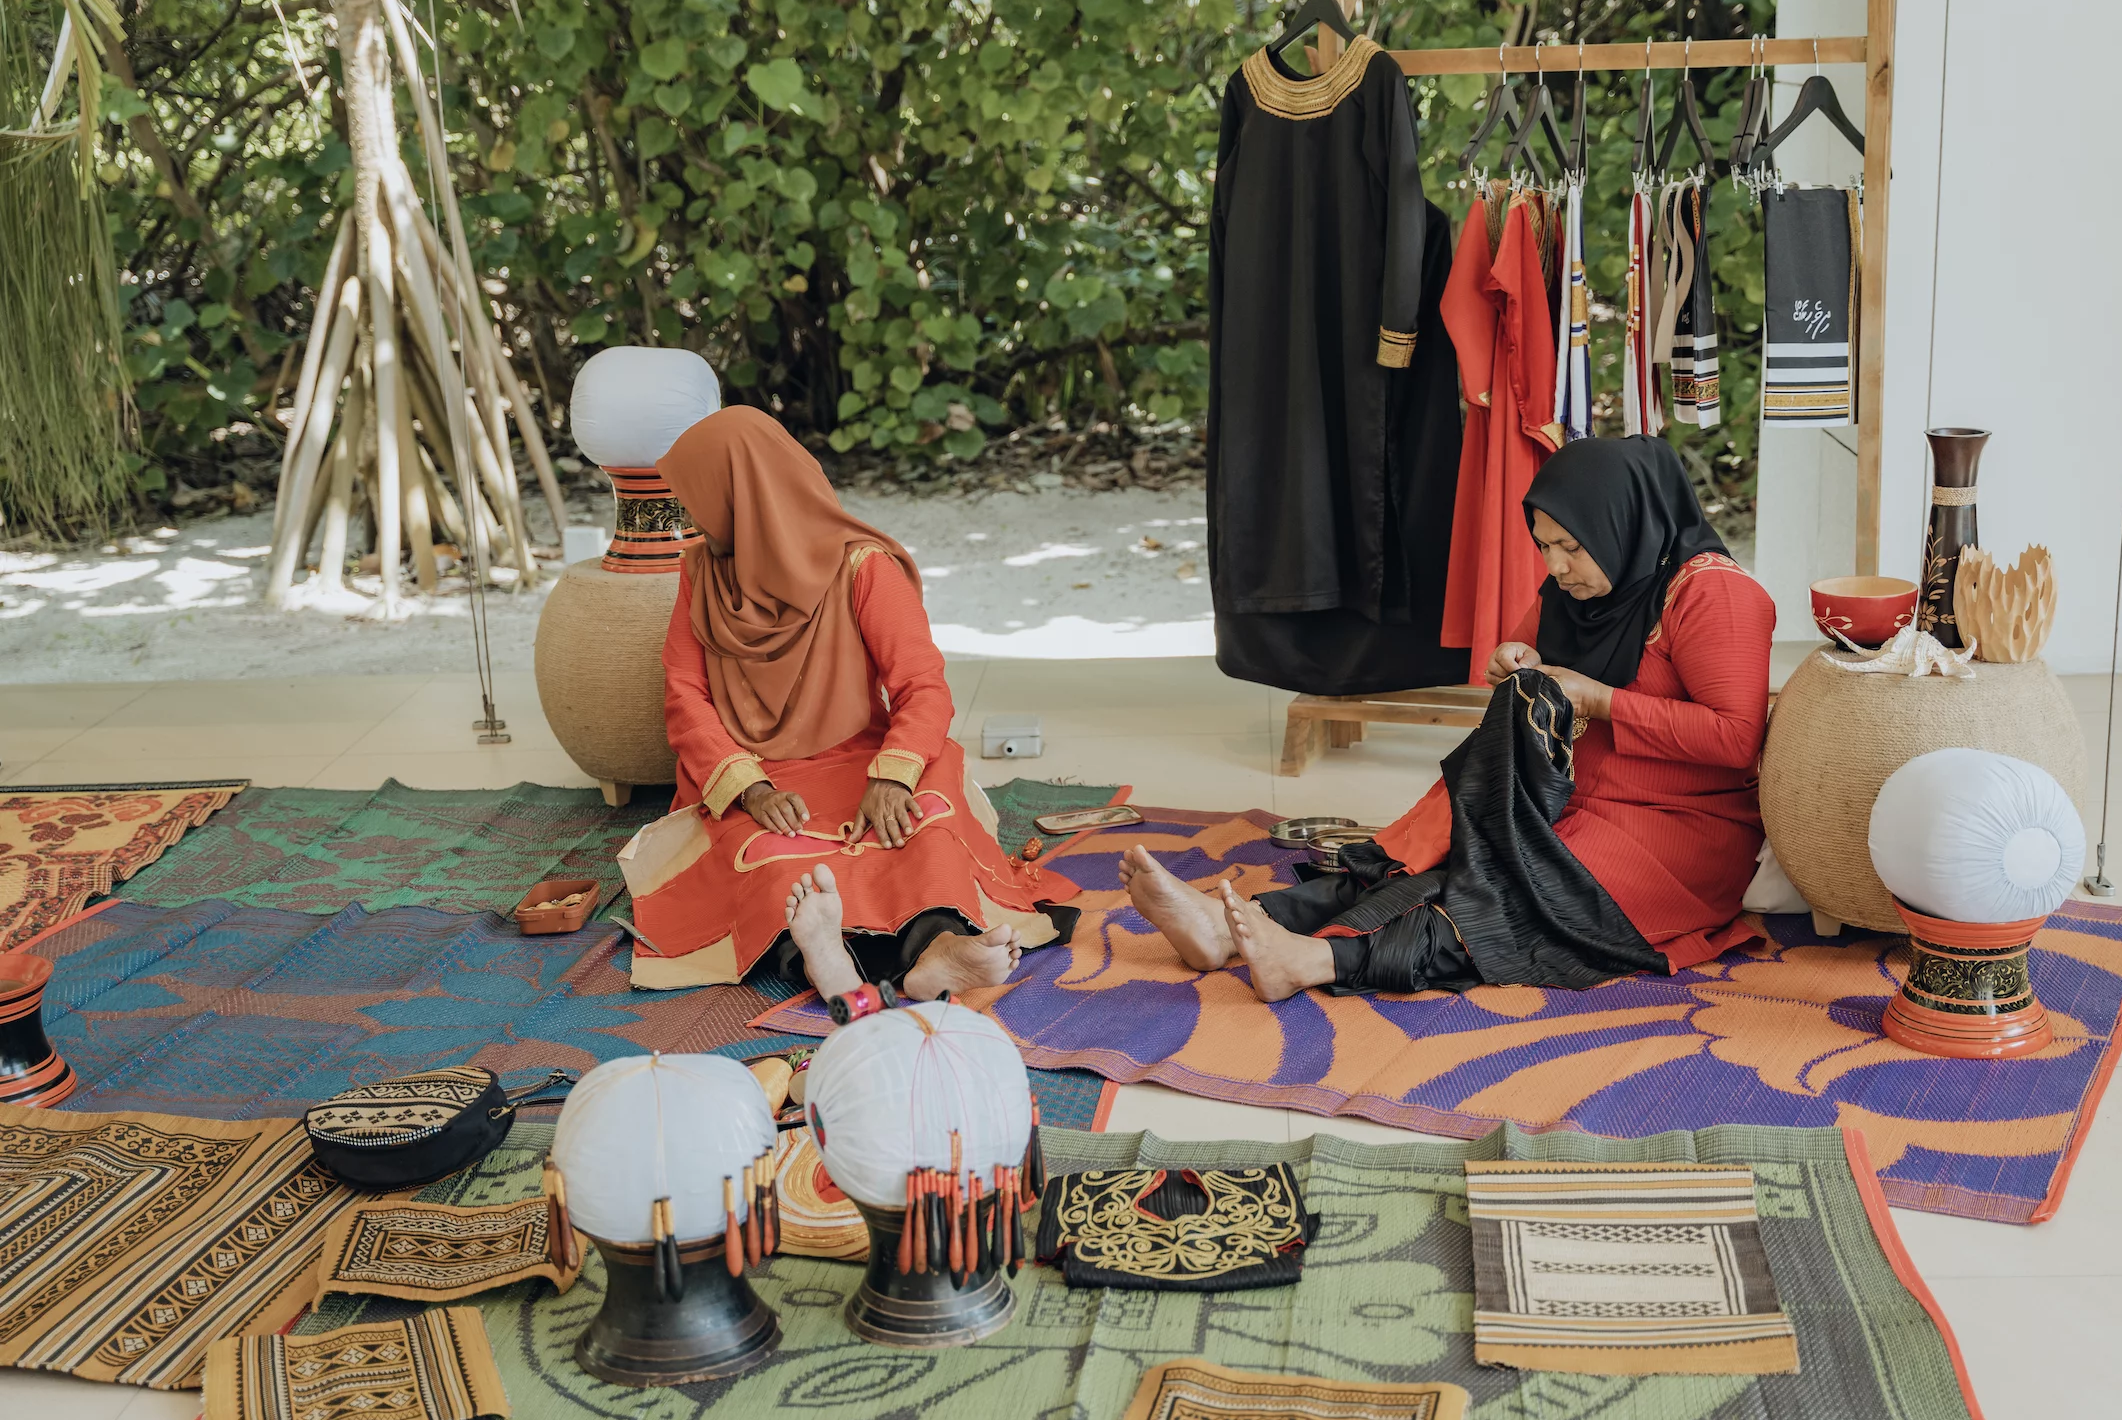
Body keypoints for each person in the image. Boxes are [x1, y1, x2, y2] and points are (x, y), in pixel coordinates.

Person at [1123, 435, 1776, 1000]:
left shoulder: (1716, 597)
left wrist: (1598, 699)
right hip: (1574, 798)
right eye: (1544, 545)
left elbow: (1735, 738)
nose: (1555, 566)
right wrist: (1513, 660)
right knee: (1448, 853)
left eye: (1572, 547)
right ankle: (1228, 924)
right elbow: (1528, 654)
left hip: (1677, 829)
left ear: (1622, 524)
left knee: (1518, 890)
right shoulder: (1579, 589)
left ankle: (1318, 962)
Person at [616, 406, 1076, 993]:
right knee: (770, 853)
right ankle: (825, 956)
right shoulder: (701, 572)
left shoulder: (863, 566)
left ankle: (937, 949)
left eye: (695, 495)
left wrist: (894, 776)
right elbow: (685, 695)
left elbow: (922, 687)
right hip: (754, 775)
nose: (686, 514)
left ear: (745, 494)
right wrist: (748, 787)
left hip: (867, 758)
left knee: (920, 825)